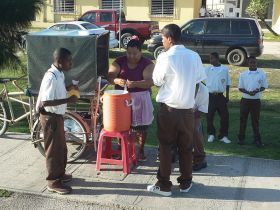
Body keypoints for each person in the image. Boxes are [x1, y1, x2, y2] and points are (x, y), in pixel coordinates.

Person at [147, 24, 206, 196]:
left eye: (163, 38)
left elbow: (157, 81)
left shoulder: (165, 57)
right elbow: (198, 83)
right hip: (187, 111)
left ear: (170, 38)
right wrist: (189, 100)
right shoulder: (194, 56)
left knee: (165, 147)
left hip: (169, 110)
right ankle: (186, 182)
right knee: (187, 147)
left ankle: (164, 185)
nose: (162, 41)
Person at [36, 48, 78, 194]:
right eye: (69, 61)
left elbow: (56, 92)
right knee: (53, 150)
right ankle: (53, 182)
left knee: (61, 148)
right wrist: (68, 99)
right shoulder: (51, 77)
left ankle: (60, 174)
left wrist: (68, 88)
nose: (71, 64)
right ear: (59, 62)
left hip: (57, 117)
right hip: (50, 117)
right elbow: (46, 101)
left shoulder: (59, 74)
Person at [108, 37, 154, 161]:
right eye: (129, 53)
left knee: (141, 127)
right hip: (121, 98)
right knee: (121, 125)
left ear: (141, 52)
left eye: (135, 53)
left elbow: (150, 82)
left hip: (141, 98)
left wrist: (134, 84)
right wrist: (116, 80)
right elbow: (110, 76)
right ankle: (121, 148)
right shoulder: (119, 61)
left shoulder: (147, 63)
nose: (131, 56)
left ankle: (141, 150)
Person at [237, 56, 268, 147]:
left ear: (256, 63)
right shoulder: (243, 74)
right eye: (251, 62)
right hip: (245, 100)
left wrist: (256, 91)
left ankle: (257, 140)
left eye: (254, 62)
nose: (253, 64)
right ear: (248, 63)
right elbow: (240, 88)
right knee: (243, 120)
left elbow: (264, 86)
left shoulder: (261, 74)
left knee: (255, 121)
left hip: (256, 101)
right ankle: (241, 139)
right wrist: (248, 92)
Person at [204, 52, 231, 144]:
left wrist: (227, 96)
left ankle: (223, 136)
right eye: (210, 58)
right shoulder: (207, 69)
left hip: (220, 96)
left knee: (225, 116)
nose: (210, 60)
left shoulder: (224, 69)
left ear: (217, 58)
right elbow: (199, 79)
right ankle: (211, 134)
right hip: (210, 96)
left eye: (212, 58)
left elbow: (227, 84)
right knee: (209, 116)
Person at [193, 82, 209, 171]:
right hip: (180, 110)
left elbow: (202, 110)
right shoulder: (183, 83)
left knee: (195, 130)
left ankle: (200, 160)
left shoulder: (204, 90)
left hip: (194, 113)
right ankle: (173, 154)